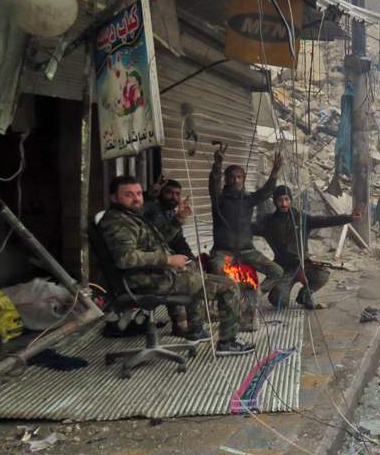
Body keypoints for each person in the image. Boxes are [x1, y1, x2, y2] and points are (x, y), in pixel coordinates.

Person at [99, 175, 254, 355]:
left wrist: (179, 219)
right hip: (143, 281)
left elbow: (160, 240)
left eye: (139, 194)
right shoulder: (118, 222)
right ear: (114, 198)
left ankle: (195, 330)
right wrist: (168, 260)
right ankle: (227, 343)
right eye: (128, 194)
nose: (136, 198)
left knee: (193, 270)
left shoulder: (131, 217)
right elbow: (126, 258)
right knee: (229, 286)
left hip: (151, 275)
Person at [254, 186, 361, 309]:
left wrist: (349, 218)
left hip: (303, 265)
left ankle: (305, 295)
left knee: (322, 276)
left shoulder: (301, 219)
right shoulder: (268, 222)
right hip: (284, 268)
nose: (284, 204)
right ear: (275, 202)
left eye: (286, 199)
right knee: (278, 300)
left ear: (290, 200)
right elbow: (249, 229)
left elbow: (325, 220)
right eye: (280, 200)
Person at [208, 148, 285, 289]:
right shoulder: (219, 199)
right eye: (232, 177)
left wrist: (274, 172)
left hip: (247, 251)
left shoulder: (248, 199)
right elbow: (214, 184)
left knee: (277, 272)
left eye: (239, 177)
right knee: (218, 269)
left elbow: (266, 192)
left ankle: (255, 293)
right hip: (223, 252)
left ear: (243, 179)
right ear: (226, 179)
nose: (235, 180)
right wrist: (217, 165)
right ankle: (235, 292)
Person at [143, 178, 194, 259]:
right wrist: (178, 220)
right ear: (160, 192)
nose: (174, 197)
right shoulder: (150, 209)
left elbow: (178, 241)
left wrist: (191, 259)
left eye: (177, 194)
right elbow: (159, 241)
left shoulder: (171, 212)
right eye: (169, 192)